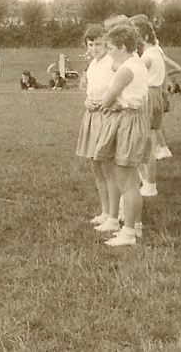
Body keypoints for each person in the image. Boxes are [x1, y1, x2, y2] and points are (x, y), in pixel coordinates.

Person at [94, 23, 149, 246]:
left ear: (123, 47)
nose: (109, 52)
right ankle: (133, 227)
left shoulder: (127, 69)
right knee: (129, 177)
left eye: (111, 48)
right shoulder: (135, 64)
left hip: (129, 120)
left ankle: (128, 233)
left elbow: (107, 99)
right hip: (132, 118)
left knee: (127, 180)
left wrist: (103, 102)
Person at [75, 24, 116, 227]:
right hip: (92, 116)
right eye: (91, 44)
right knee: (96, 166)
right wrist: (87, 102)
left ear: (107, 43)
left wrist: (107, 103)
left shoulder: (113, 63)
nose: (94, 48)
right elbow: (89, 92)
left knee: (108, 167)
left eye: (99, 44)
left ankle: (114, 215)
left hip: (107, 116)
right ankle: (105, 211)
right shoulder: (93, 65)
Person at [131, 15, 164, 198]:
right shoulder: (157, 51)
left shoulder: (148, 57)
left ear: (144, 37)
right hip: (156, 93)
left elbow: (133, 72)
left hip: (149, 95)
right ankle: (147, 181)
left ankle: (149, 183)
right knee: (148, 138)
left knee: (146, 141)